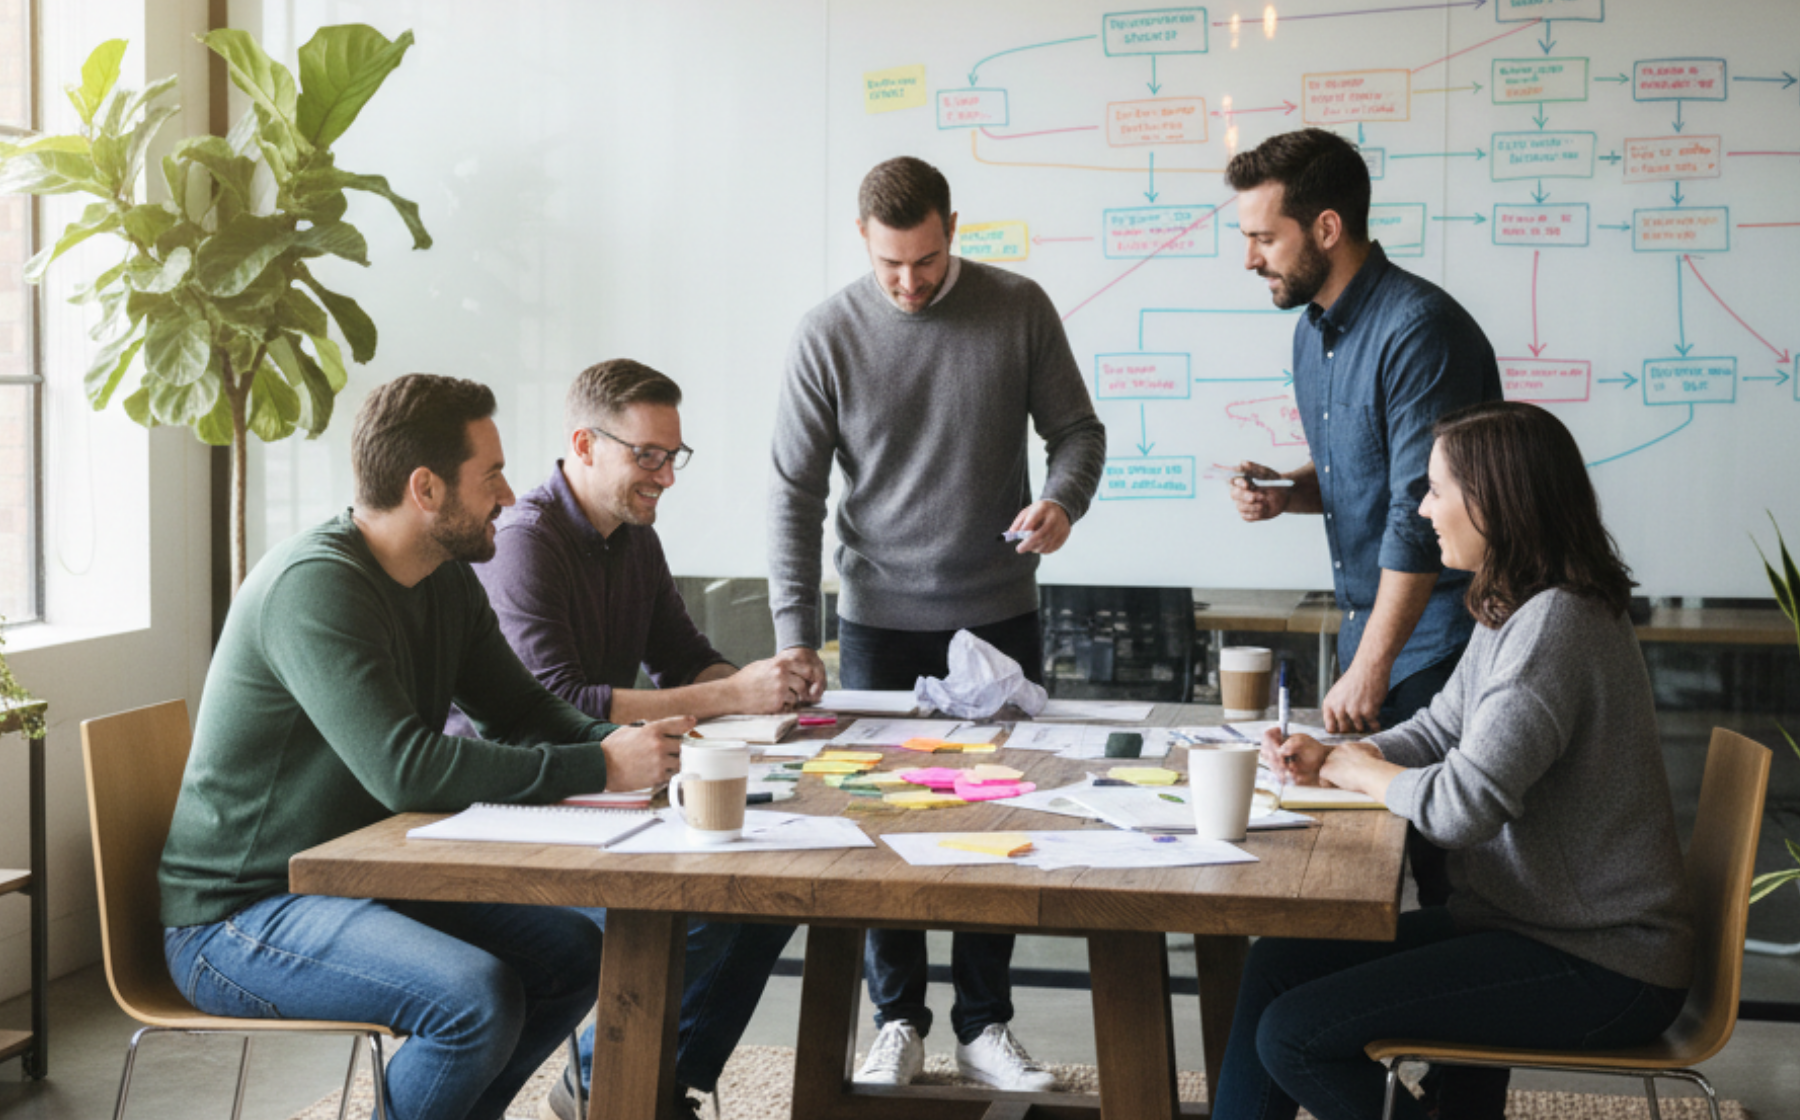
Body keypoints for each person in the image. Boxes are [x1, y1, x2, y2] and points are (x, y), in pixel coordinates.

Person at [160, 374, 695, 1120]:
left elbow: (524, 710)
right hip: (242, 913)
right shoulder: (316, 586)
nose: (509, 495)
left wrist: (643, 746)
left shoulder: (444, 580)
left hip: (352, 878)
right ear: (427, 488)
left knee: (571, 955)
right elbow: (403, 769)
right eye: (491, 475)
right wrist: (602, 764)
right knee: (473, 1001)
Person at [1210, 401, 1695, 1120]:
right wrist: (1347, 751)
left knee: (1296, 1036)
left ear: (1494, 502)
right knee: (1279, 963)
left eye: (1436, 490)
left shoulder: (1554, 625)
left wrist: (1355, 772)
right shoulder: (1518, 605)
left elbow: (1463, 806)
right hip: (1532, 925)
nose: (1423, 509)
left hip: (1602, 963)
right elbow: (1441, 728)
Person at [767, 155, 1107, 1090]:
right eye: (888, 267)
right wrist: (797, 631)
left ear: (951, 228)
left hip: (997, 611)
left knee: (1000, 812)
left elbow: (1077, 432)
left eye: (921, 260)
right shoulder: (827, 333)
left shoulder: (1018, 306)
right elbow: (793, 493)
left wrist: (1062, 503)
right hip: (878, 615)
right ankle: (898, 1023)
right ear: (863, 243)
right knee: (884, 821)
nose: (907, 284)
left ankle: (986, 1025)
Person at [443, 358, 799, 1119]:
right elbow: (557, 699)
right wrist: (727, 694)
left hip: (601, 782)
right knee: (699, 903)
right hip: (514, 797)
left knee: (770, 897)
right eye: (648, 455)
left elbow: (683, 652)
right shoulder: (524, 540)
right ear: (585, 443)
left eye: (673, 456)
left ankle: (659, 1085)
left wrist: (762, 689)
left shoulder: (633, 534)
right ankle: (608, 1087)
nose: (665, 476)